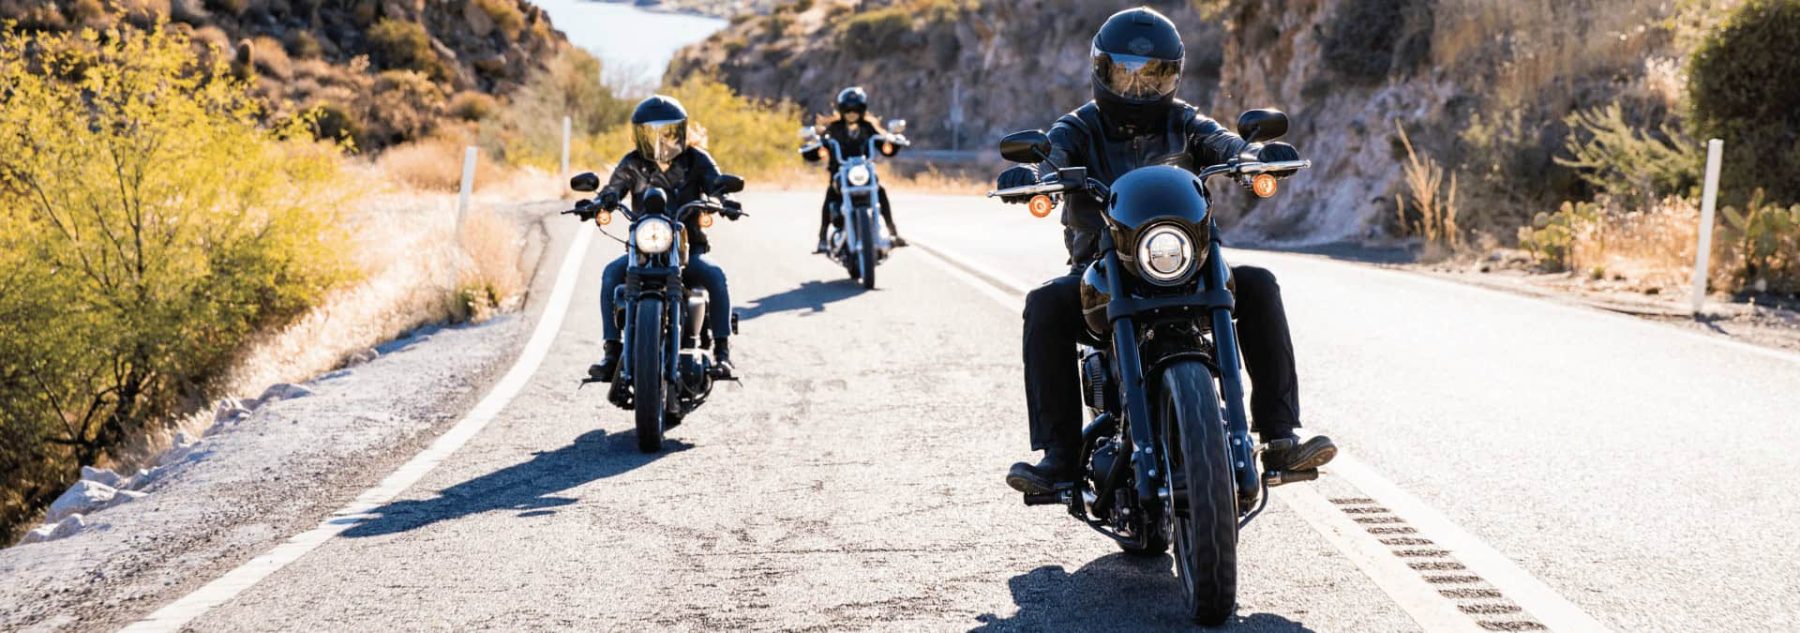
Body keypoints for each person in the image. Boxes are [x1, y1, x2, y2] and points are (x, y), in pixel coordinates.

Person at [995, 7, 1336, 495]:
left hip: (1185, 265)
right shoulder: (1080, 127)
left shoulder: (1186, 122)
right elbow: (1053, 151)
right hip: (1104, 272)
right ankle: (1060, 457)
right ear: (1100, 70)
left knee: (1258, 283)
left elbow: (1223, 143)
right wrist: (1035, 174)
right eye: (1124, 74)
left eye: (1152, 75)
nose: (1137, 88)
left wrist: (1254, 156)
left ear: (1174, 75)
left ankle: (1281, 436)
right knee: (1046, 303)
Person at [581, 95, 737, 380]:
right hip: (643, 250)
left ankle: (723, 354)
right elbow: (613, 188)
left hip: (689, 249)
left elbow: (715, 183)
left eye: (666, 131)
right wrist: (599, 202)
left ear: (680, 131)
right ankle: (611, 352)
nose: (659, 139)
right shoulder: (632, 163)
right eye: (650, 132)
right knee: (610, 276)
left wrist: (723, 200)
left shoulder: (696, 160)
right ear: (639, 134)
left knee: (715, 275)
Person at [803, 86, 905, 253]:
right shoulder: (834, 129)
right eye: (848, 109)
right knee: (830, 195)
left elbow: (884, 146)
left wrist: (892, 143)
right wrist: (815, 148)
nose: (852, 113)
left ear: (862, 110)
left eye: (855, 109)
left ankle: (892, 232)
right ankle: (822, 238)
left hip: (863, 173)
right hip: (840, 174)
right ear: (842, 110)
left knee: (880, 191)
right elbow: (820, 146)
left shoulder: (868, 128)